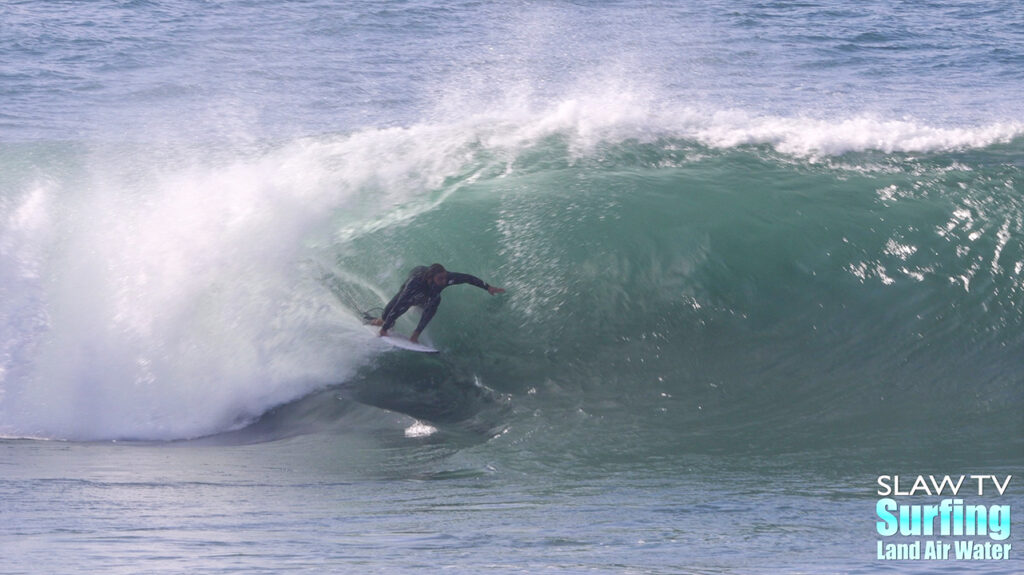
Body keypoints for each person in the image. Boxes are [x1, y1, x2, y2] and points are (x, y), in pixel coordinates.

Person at [370, 263, 505, 343]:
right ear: (430, 278)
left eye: (445, 277)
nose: (444, 281)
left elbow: (467, 278)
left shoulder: (445, 278)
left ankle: (415, 334)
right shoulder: (414, 284)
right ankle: (380, 323)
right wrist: (384, 329)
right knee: (390, 313)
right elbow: (400, 304)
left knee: (435, 300)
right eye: (440, 279)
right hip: (413, 285)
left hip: (427, 295)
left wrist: (488, 287)